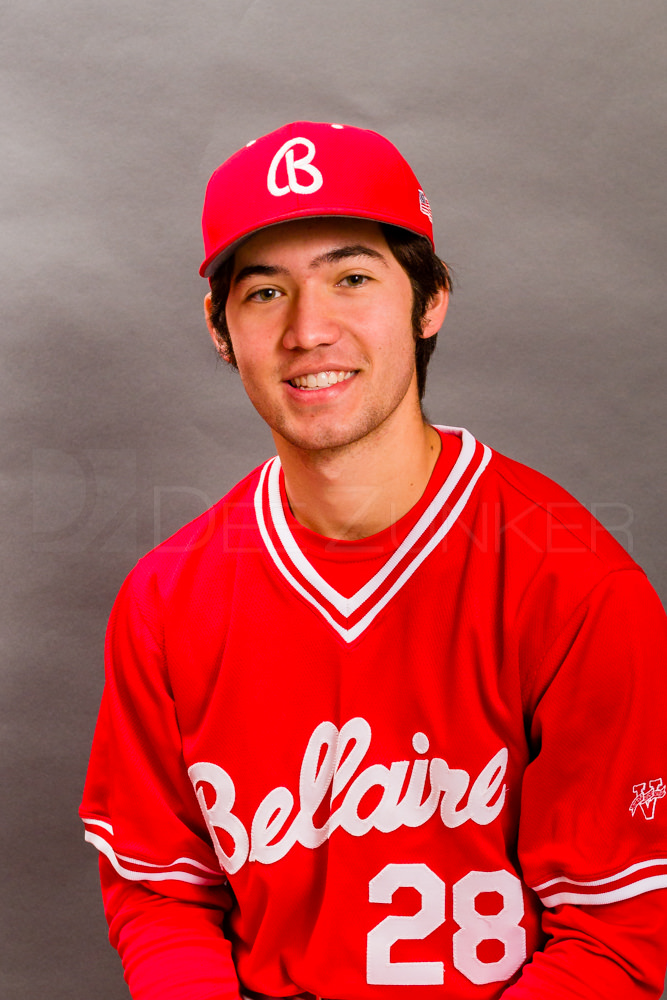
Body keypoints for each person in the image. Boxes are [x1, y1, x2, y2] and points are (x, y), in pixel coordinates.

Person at [80, 121, 667, 1000]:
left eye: (351, 279)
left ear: (428, 302)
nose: (308, 330)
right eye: (264, 293)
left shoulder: (575, 585)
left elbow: (617, 935)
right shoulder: (167, 599)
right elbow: (163, 894)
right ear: (219, 328)